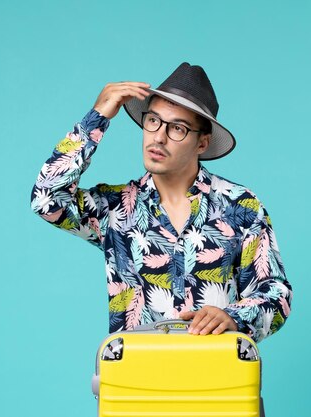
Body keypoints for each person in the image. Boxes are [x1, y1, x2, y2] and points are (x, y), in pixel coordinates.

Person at [31, 63, 292, 342]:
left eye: (177, 128)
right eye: (153, 120)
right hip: (136, 378)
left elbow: (275, 293)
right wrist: (97, 118)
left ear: (202, 144)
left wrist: (234, 316)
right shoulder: (115, 208)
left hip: (217, 377)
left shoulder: (239, 206)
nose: (158, 136)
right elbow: (47, 198)